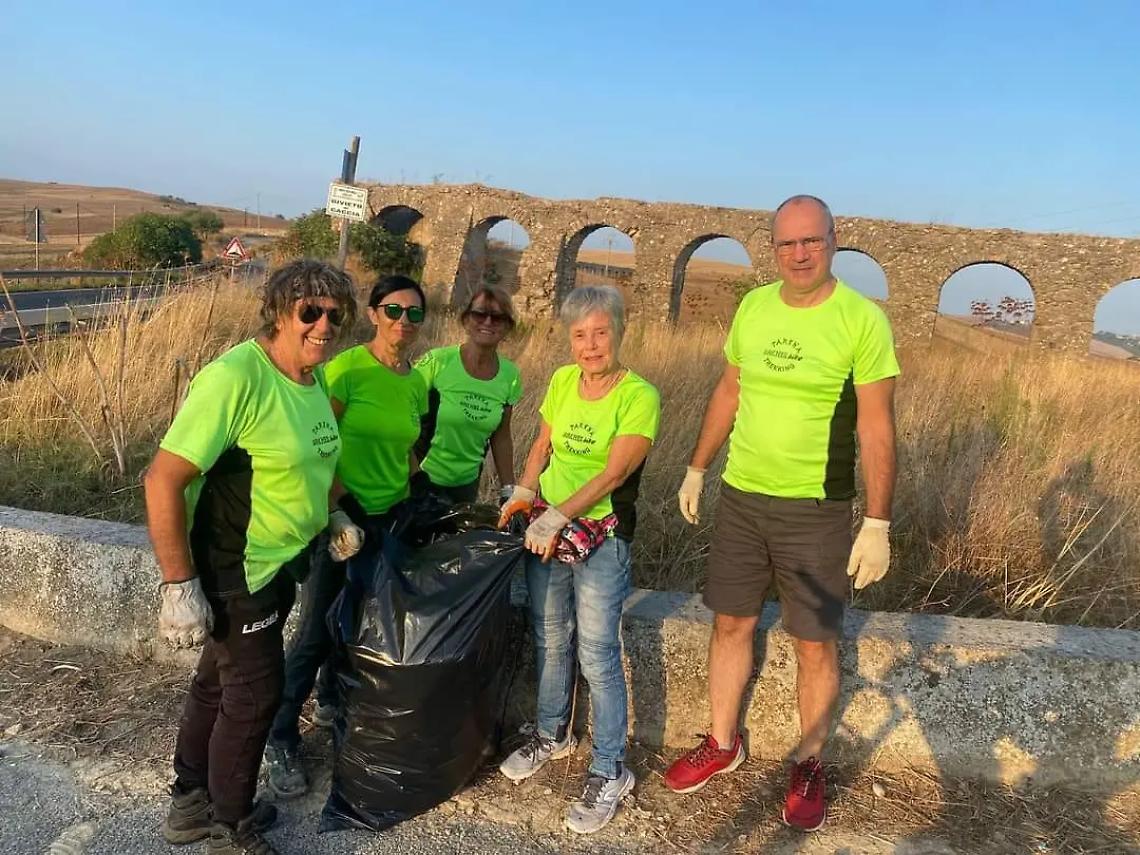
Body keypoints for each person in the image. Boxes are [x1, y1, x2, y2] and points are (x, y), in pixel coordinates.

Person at [663, 195, 899, 832]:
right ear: (774, 248)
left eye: (811, 241)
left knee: (814, 644)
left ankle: (808, 761)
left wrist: (877, 521)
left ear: (832, 240)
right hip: (741, 496)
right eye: (787, 243)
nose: (799, 254)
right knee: (730, 624)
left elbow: (878, 426)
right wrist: (696, 465)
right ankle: (722, 743)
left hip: (815, 509)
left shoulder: (861, 320)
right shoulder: (754, 306)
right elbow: (730, 389)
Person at [145, 259, 358, 855]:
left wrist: (331, 511)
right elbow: (163, 478)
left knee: (218, 683)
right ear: (278, 312)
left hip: (279, 563)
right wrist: (178, 584)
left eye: (334, 315)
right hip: (236, 566)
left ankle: (192, 806)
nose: (323, 325)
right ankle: (230, 831)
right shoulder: (237, 376)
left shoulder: (311, 379)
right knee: (256, 695)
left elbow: (312, 462)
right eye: (308, 312)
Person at [497, 285, 660, 835]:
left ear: (619, 332)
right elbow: (544, 445)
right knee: (548, 633)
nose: (590, 346)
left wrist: (557, 516)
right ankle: (551, 734)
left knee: (596, 650)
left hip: (601, 536)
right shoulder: (565, 381)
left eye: (601, 333)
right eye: (580, 335)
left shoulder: (639, 395)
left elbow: (615, 474)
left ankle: (610, 767)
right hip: (549, 525)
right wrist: (522, 493)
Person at [264, 273, 429, 799]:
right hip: (339, 515)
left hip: (387, 516)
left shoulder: (416, 380)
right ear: (375, 313)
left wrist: (408, 494)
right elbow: (320, 442)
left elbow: (407, 448)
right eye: (393, 310)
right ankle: (280, 735)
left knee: (358, 619)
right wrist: (338, 511)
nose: (404, 321)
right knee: (315, 625)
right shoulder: (346, 369)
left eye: (414, 314)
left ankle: (333, 702)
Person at [414, 286, 522, 504]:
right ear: (465, 320)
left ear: (507, 327)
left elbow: (501, 436)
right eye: (480, 314)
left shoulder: (510, 375)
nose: (488, 322)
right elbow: (403, 421)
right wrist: (413, 478)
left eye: (498, 317)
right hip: (418, 479)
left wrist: (509, 490)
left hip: (465, 487)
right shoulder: (436, 362)